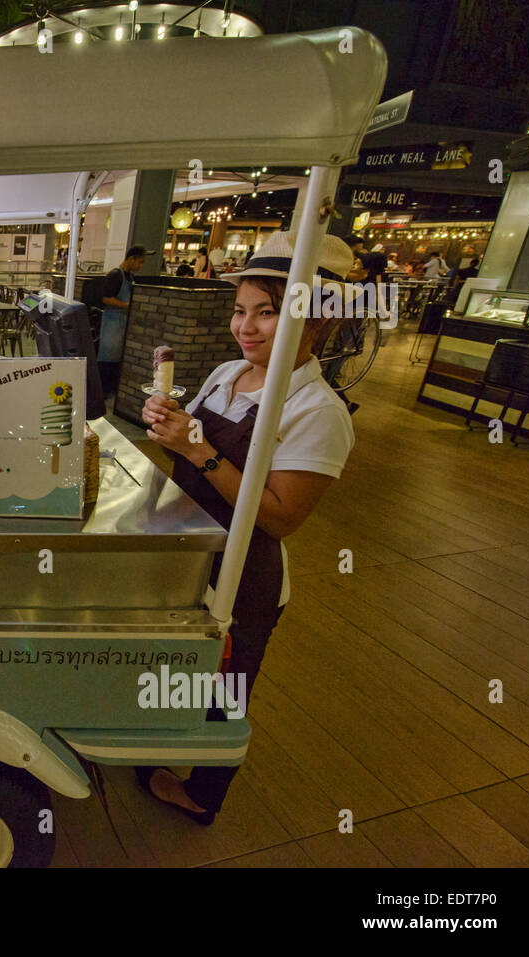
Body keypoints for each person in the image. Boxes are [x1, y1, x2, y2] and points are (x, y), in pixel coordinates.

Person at [137, 230, 356, 825]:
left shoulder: (319, 412)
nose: (247, 327)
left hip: (244, 572)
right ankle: (155, 740)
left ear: (321, 322)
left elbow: (281, 516)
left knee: (226, 687)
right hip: (187, 549)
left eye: (270, 313)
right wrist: (167, 424)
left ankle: (203, 794)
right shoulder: (227, 372)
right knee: (180, 664)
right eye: (241, 311)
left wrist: (198, 447)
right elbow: (187, 448)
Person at [97, 245, 151, 392]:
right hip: (111, 323)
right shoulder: (115, 275)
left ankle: (110, 389)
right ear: (131, 259)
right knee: (106, 358)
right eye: (140, 262)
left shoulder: (130, 277)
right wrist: (127, 305)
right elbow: (106, 298)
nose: (140, 266)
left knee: (116, 360)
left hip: (122, 324)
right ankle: (102, 391)